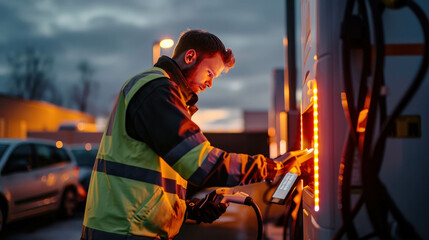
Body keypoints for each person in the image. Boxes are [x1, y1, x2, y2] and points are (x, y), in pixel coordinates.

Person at [81, 29, 301, 240]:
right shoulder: (156, 90)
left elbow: (148, 182)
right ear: (190, 56)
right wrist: (273, 167)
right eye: (210, 73)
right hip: (125, 232)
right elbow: (203, 163)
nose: (210, 83)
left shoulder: (157, 91)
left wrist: (190, 210)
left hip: (125, 229)